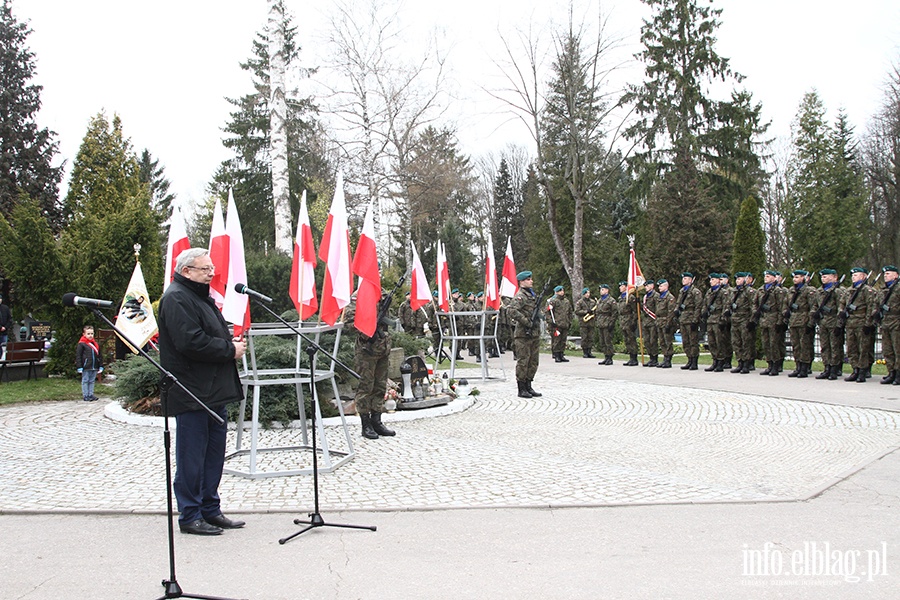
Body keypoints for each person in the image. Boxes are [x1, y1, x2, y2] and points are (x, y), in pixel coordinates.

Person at [157, 248, 246, 536]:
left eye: (211, 268)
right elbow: (190, 342)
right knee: (192, 457)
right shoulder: (176, 298)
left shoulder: (198, 296)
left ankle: (210, 508)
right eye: (205, 269)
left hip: (212, 391)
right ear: (187, 271)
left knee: (213, 455)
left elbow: (206, 331)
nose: (211, 273)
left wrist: (226, 338)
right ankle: (190, 514)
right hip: (191, 391)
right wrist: (229, 349)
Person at [344, 291, 396, 439]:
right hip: (366, 349)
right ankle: (365, 424)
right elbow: (349, 321)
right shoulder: (358, 296)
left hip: (383, 347)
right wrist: (367, 330)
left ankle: (377, 421)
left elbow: (389, 315)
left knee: (380, 385)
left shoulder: (382, 294)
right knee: (365, 386)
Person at [508, 271, 542, 398]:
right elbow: (511, 310)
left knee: (533, 361)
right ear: (521, 282)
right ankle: (521, 388)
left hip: (534, 333)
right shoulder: (520, 296)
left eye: (531, 279)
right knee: (523, 361)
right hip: (523, 334)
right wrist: (526, 321)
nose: (531, 281)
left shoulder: (532, 295)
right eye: (528, 279)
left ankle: (529, 385)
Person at [842, 267, 877, 383]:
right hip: (850, 322)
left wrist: (868, 323)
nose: (853, 277)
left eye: (856, 275)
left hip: (861, 322)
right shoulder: (848, 291)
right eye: (853, 275)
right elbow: (842, 304)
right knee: (851, 348)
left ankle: (862, 371)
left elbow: (870, 307)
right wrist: (841, 313)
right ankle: (855, 369)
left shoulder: (867, 290)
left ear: (863, 277)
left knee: (863, 348)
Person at [812, 268, 845, 380]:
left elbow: (841, 308)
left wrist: (839, 325)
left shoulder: (837, 291)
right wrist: (814, 313)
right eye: (822, 276)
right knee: (825, 346)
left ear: (834, 277)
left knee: (835, 346)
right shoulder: (819, 291)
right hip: (823, 322)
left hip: (833, 321)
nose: (823, 278)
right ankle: (826, 367)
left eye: (826, 276)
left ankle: (834, 369)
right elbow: (815, 305)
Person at [755, 270, 787, 376]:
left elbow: (781, 307)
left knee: (774, 343)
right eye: (765, 276)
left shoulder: (777, 290)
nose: (765, 278)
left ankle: (776, 365)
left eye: (768, 276)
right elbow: (755, 304)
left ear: (774, 278)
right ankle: (769, 364)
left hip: (773, 319)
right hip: (764, 319)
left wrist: (780, 321)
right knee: (766, 343)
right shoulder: (760, 290)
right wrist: (757, 314)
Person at [785, 269, 815, 378]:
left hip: (804, 320)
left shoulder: (808, 290)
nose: (794, 279)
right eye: (794, 277)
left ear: (804, 278)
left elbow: (813, 307)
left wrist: (811, 322)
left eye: (797, 277)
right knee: (796, 345)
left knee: (805, 345)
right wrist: (786, 314)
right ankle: (798, 366)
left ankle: (805, 367)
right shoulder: (791, 290)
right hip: (793, 320)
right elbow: (786, 304)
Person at [729, 272, 758, 374]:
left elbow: (753, 306)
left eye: (740, 279)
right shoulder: (734, 291)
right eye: (736, 279)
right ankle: (740, 362)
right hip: (735, 319)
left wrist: (752, 320)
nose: (737, 281)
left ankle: (746, 363)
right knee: (736, 342)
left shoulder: (749, 291)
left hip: (745, 319)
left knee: (746, 342)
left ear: (745, 280)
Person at [676, 272, 703, 370]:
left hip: (691, 319)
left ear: (691, 280)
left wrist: (695, 320)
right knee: (685, 341)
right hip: (683, 319)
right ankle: (689, 359)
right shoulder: (682, 291)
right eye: (683, 279)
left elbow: (698, 306)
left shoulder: (695, 292)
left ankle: (694, 361)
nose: (684, 280)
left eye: (686, 278)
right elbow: (678, 303)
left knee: (693, 341)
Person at [878, 266, 900, 385]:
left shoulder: (898, 288)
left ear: (896, 275)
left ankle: (898, 373)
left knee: (898, 349)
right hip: (885, 321)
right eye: (885, 274)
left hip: (896, 321)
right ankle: (891, 372)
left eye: (888, 273)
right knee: (887, 350)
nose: (886, 275)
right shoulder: (884, 289)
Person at [702, 273, 727, 372]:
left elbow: (726, 306)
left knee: (719, 341)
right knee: (711, 342)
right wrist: (704, 313)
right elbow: (705, 304)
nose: (711, 281)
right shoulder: (709, 292)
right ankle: (714, 360)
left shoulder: (723, 292)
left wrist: (722, 320)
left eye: (713, 279)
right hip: (710, 319)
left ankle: (721, 361)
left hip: (718, 319)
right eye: (710, 280)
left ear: (718, 280)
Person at [75, 325, 103, 401]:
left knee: (92, 381)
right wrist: (79, 366)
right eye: (88, 334)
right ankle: (86, 395)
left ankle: (91, 394)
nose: (90, 335)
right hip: (86, 366)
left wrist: (100, 365)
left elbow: (99, 355)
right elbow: (78, 356)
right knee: (85, 380)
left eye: (92, 333)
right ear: (84, 334)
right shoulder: (81, 344)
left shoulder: (95, 344)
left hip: (94, 365)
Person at [655, 279, 677, 368]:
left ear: (666, 286)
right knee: (662, 341)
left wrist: (668, 323)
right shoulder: (660, 297)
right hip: (660, 321)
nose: (659, 288)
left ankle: (668, 359)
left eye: (661, 286)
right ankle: (665, 357)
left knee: (667, 341)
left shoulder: (669, 297)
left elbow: (671, 311)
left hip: (666, 321)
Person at [548, 285, 572, 362]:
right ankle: (556, 354)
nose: (562, 292)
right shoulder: (553, 301)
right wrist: (551, 322)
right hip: (556, 324)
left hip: (565, 323)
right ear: (556, 292)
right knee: (557, 340)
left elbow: (570, 312)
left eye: (562, 291)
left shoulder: (566, 301)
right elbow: (548, 312)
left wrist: (569, 321)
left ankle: (561, 354)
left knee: (563, 340)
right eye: (560, 291)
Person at [617, 281, 639, 366]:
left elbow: (635, 310)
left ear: (626, 287)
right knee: (627, 340)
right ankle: (631, 357)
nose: (620, 288)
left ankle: (634, 358)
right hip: (623, 320)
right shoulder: (620, 298)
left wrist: (633, 321)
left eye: (621, 286)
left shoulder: (630, 297)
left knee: (631, 339)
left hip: (629, 320)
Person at [595, 284, 617, 365]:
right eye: (601, 289)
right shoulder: (600, 300)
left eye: (603, 289)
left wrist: (611, 323)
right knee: (602, 341)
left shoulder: (611, 300)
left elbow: (614, 313)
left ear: (607, 290)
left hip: (607, 322)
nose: (601, 291)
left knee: (608, 341)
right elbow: (597, 311)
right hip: (600, 322)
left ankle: (610, 357)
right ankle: (606, 356)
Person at [574, 287, 598, 358]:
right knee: (584, 337)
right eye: (586, 293)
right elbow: (577, 311)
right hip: (583, 322)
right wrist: (586, 311)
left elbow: (596, 311)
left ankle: (589, 351)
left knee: (590, 337)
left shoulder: (593, 302)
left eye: (588, 293)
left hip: (591, 322)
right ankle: (585, 352)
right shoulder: (580, 302)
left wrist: (593, 313)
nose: (588, 295)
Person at [641, 279, 659, 367]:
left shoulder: (656, 296)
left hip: (653, 321)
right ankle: (651, 357)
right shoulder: (645, 297)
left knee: (653, 340)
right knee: (647, 341)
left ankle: (655, 358)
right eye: (645, 286)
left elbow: (658, 309)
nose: (646, 288)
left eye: (647, 286)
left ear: (652, 286)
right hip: (646, 321)